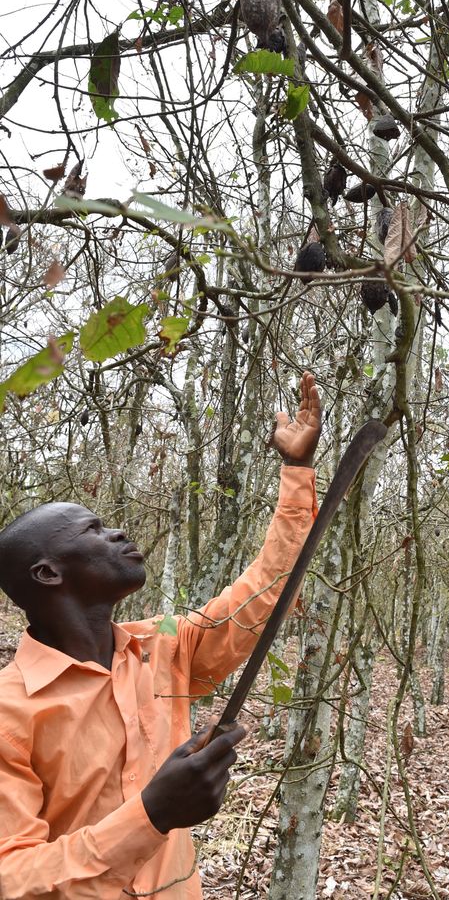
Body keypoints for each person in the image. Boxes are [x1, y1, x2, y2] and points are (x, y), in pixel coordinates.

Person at [0, 371, 321, 899]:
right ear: (48, 573)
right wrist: (152, 814)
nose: (119, 532)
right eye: (92, 530)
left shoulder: (163, 643)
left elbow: (265, 591)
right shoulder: (11, 714)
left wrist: (296, 471)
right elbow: (14, 877)